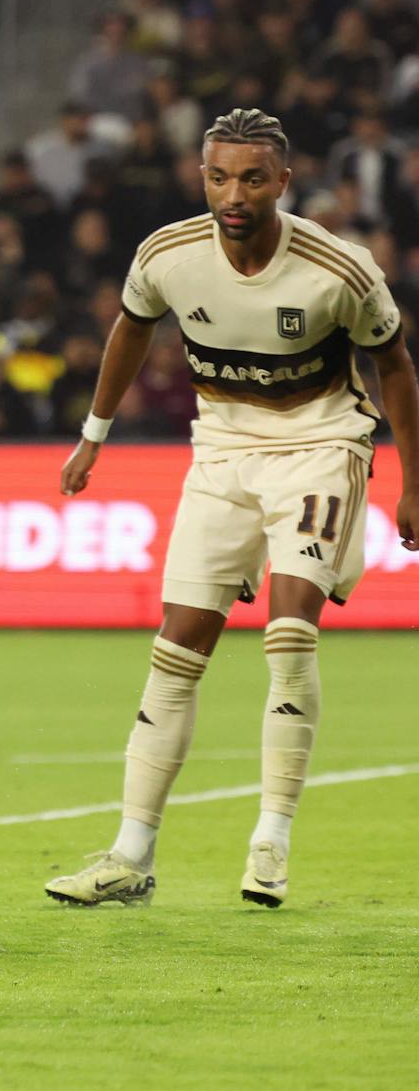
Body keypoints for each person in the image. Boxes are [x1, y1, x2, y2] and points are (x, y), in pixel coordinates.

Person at [46, 110, 418, 909]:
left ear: (283, 180)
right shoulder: (167, 255)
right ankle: (130, 855)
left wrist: (412, 480)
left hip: (321, 446)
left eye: (252, 178)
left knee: (289, 633)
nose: (234, 194)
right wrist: (92, 436)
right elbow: (130, 331)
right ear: (203, 178)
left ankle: (271, 841)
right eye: (219, 177)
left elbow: (394, 364)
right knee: (175, 648)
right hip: (220, 452)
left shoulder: (338, 269)